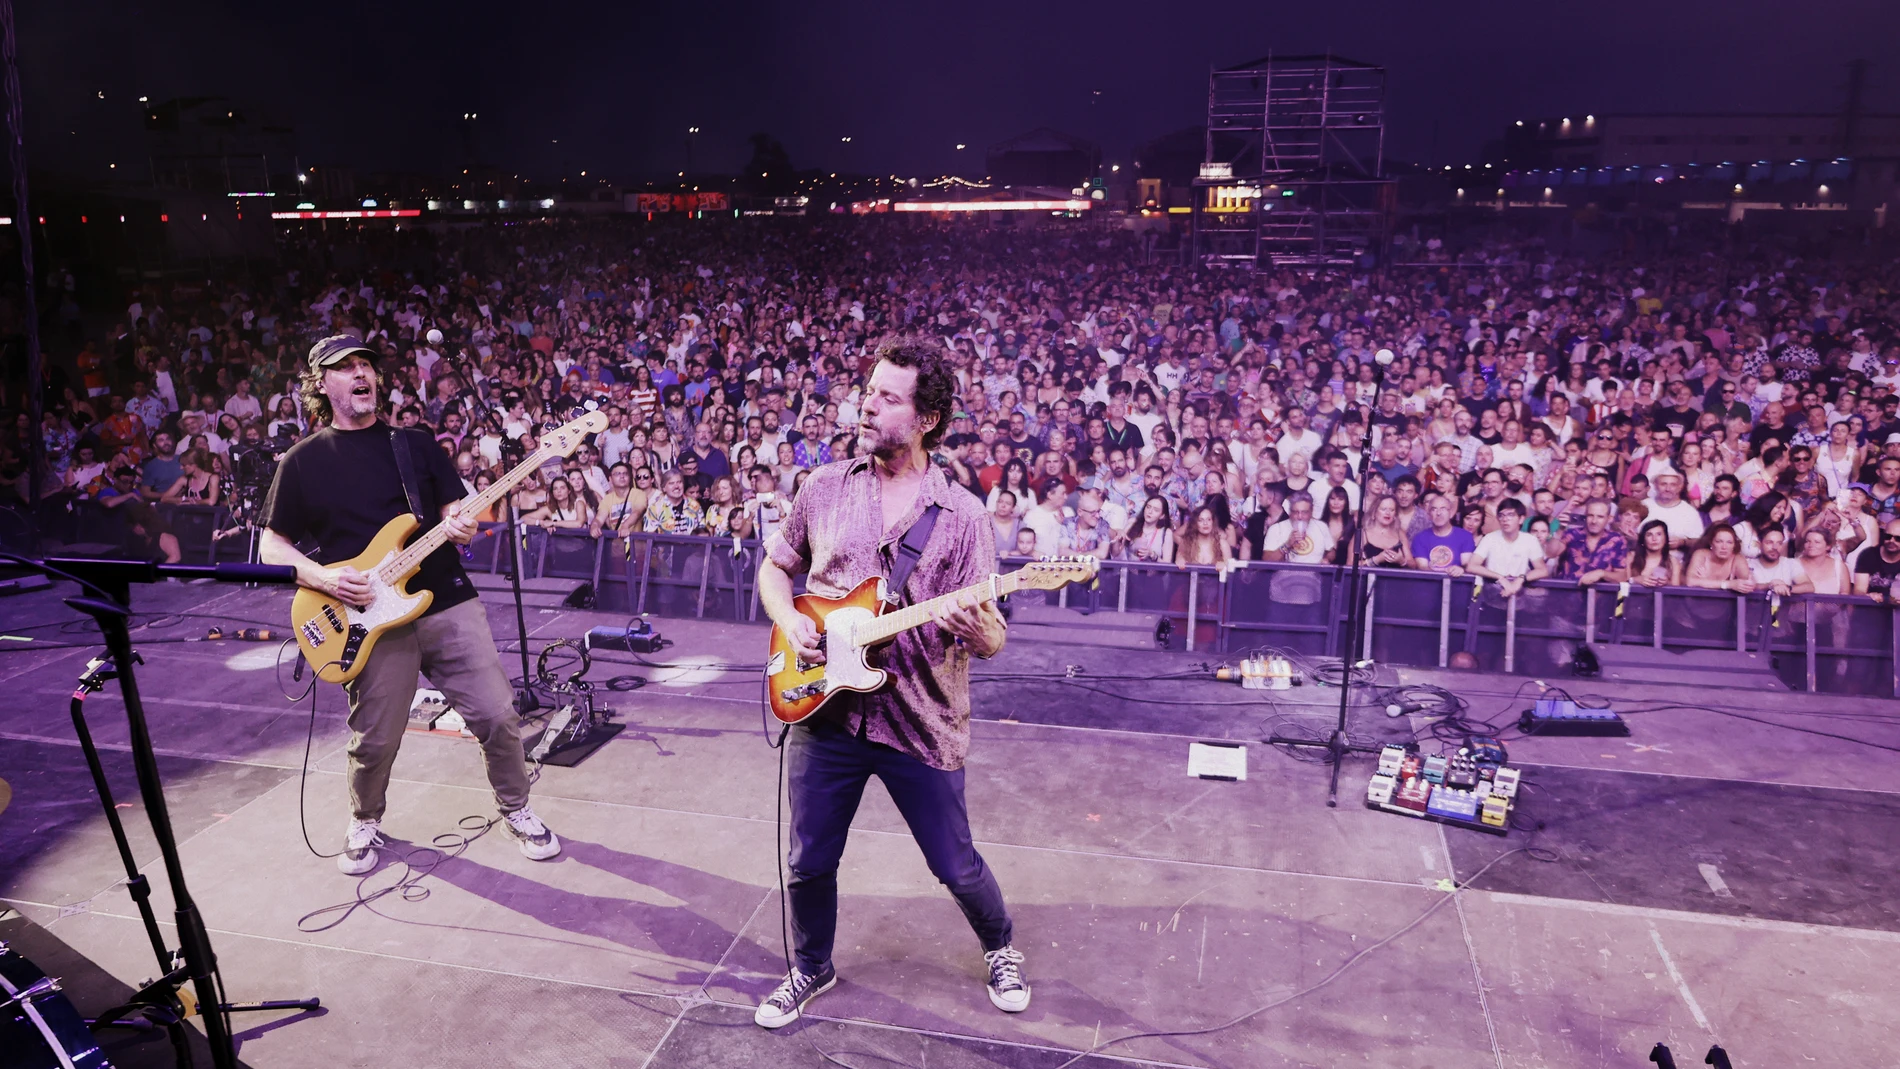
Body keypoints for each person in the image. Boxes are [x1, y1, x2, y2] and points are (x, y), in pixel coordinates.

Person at [753, 338, 1028, 1029]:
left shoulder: (963, 517)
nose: (867, 406)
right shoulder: (823, 487)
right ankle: (811, 964)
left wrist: (980, 634)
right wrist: (790, 619)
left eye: (887, 397)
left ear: (927, 419)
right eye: (868, 391)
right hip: (826, 710)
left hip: (920, 719)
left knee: (955, 864)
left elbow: (993, 637)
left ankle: (1000, 946)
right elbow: (774, 567)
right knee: (808, 860)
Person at [260, 335, 559, 875]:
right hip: (367, 618)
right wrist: (327, 579)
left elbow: (453, 512)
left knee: (498, 715)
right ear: (321, 385)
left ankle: (516, 808)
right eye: (346, 368)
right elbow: (272, 546)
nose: (361, 374)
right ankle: (364, 818)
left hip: (445, 598)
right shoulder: (303, 461)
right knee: (375, 739)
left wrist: (462, 526)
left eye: (366, 365)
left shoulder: (415, 445)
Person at [1466, 498, 1547, 598]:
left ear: (1521, 519)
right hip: (1492, 594)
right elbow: (1472, 566)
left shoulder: (1530, 540)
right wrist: (1500, 578)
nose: (1505, 519)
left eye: (1510, 515)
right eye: (1501, 515)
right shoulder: (1489, 538)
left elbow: (1542, 570)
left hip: (1519, 595)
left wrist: (1520, 579)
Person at [1551, 500, 1629, 586]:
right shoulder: (1571, 534)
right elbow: (1551, 553)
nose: (1594, 521)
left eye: (1600, 517)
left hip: (1601, 594)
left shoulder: (1617, 540)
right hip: (1566, 592)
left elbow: (1622, 577)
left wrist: (1601, 573)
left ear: (1609, 519)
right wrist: (1559, 530)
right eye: (1590, 516)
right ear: (1585, 516)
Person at [1411, 493, 1475, 576]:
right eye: (1434, 509)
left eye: (1443, 509)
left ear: (1451, 513)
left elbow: (1466, 564)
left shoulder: (1465, 536)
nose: (1438, 513)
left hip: (1457, 581)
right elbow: (1422, 567)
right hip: (1430, 582)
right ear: (1429, 515)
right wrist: (1445, 572)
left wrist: (1461, 569)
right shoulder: (1420, 538)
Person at [1684, 524, 1755, 593]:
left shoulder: (1738, 558)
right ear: (1711, 543)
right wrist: (1729, 584)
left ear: (1734, 545)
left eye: (1729, 542)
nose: (1724, 547)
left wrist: (1705, 582)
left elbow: (1747, 583)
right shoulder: (1701, 554)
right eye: (1719, 542)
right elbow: (1690, 581)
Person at [1747, 527, 1812, 596]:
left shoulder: (1791, 563)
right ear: (1759, 544)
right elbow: (1747, 586)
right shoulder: (1748, 564)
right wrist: (1770, 585)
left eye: (1779, 543)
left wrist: (1787, 588)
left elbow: (1809, 587)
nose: (1775, 547)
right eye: (1769, 542)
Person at [1852, 519, 1900, 603]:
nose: (1891, 541)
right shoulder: (1868, 555)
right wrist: (1868, 596)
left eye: (1898, 539)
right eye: (1888, 536)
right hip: (1871, 606)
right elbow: (1859, 590)